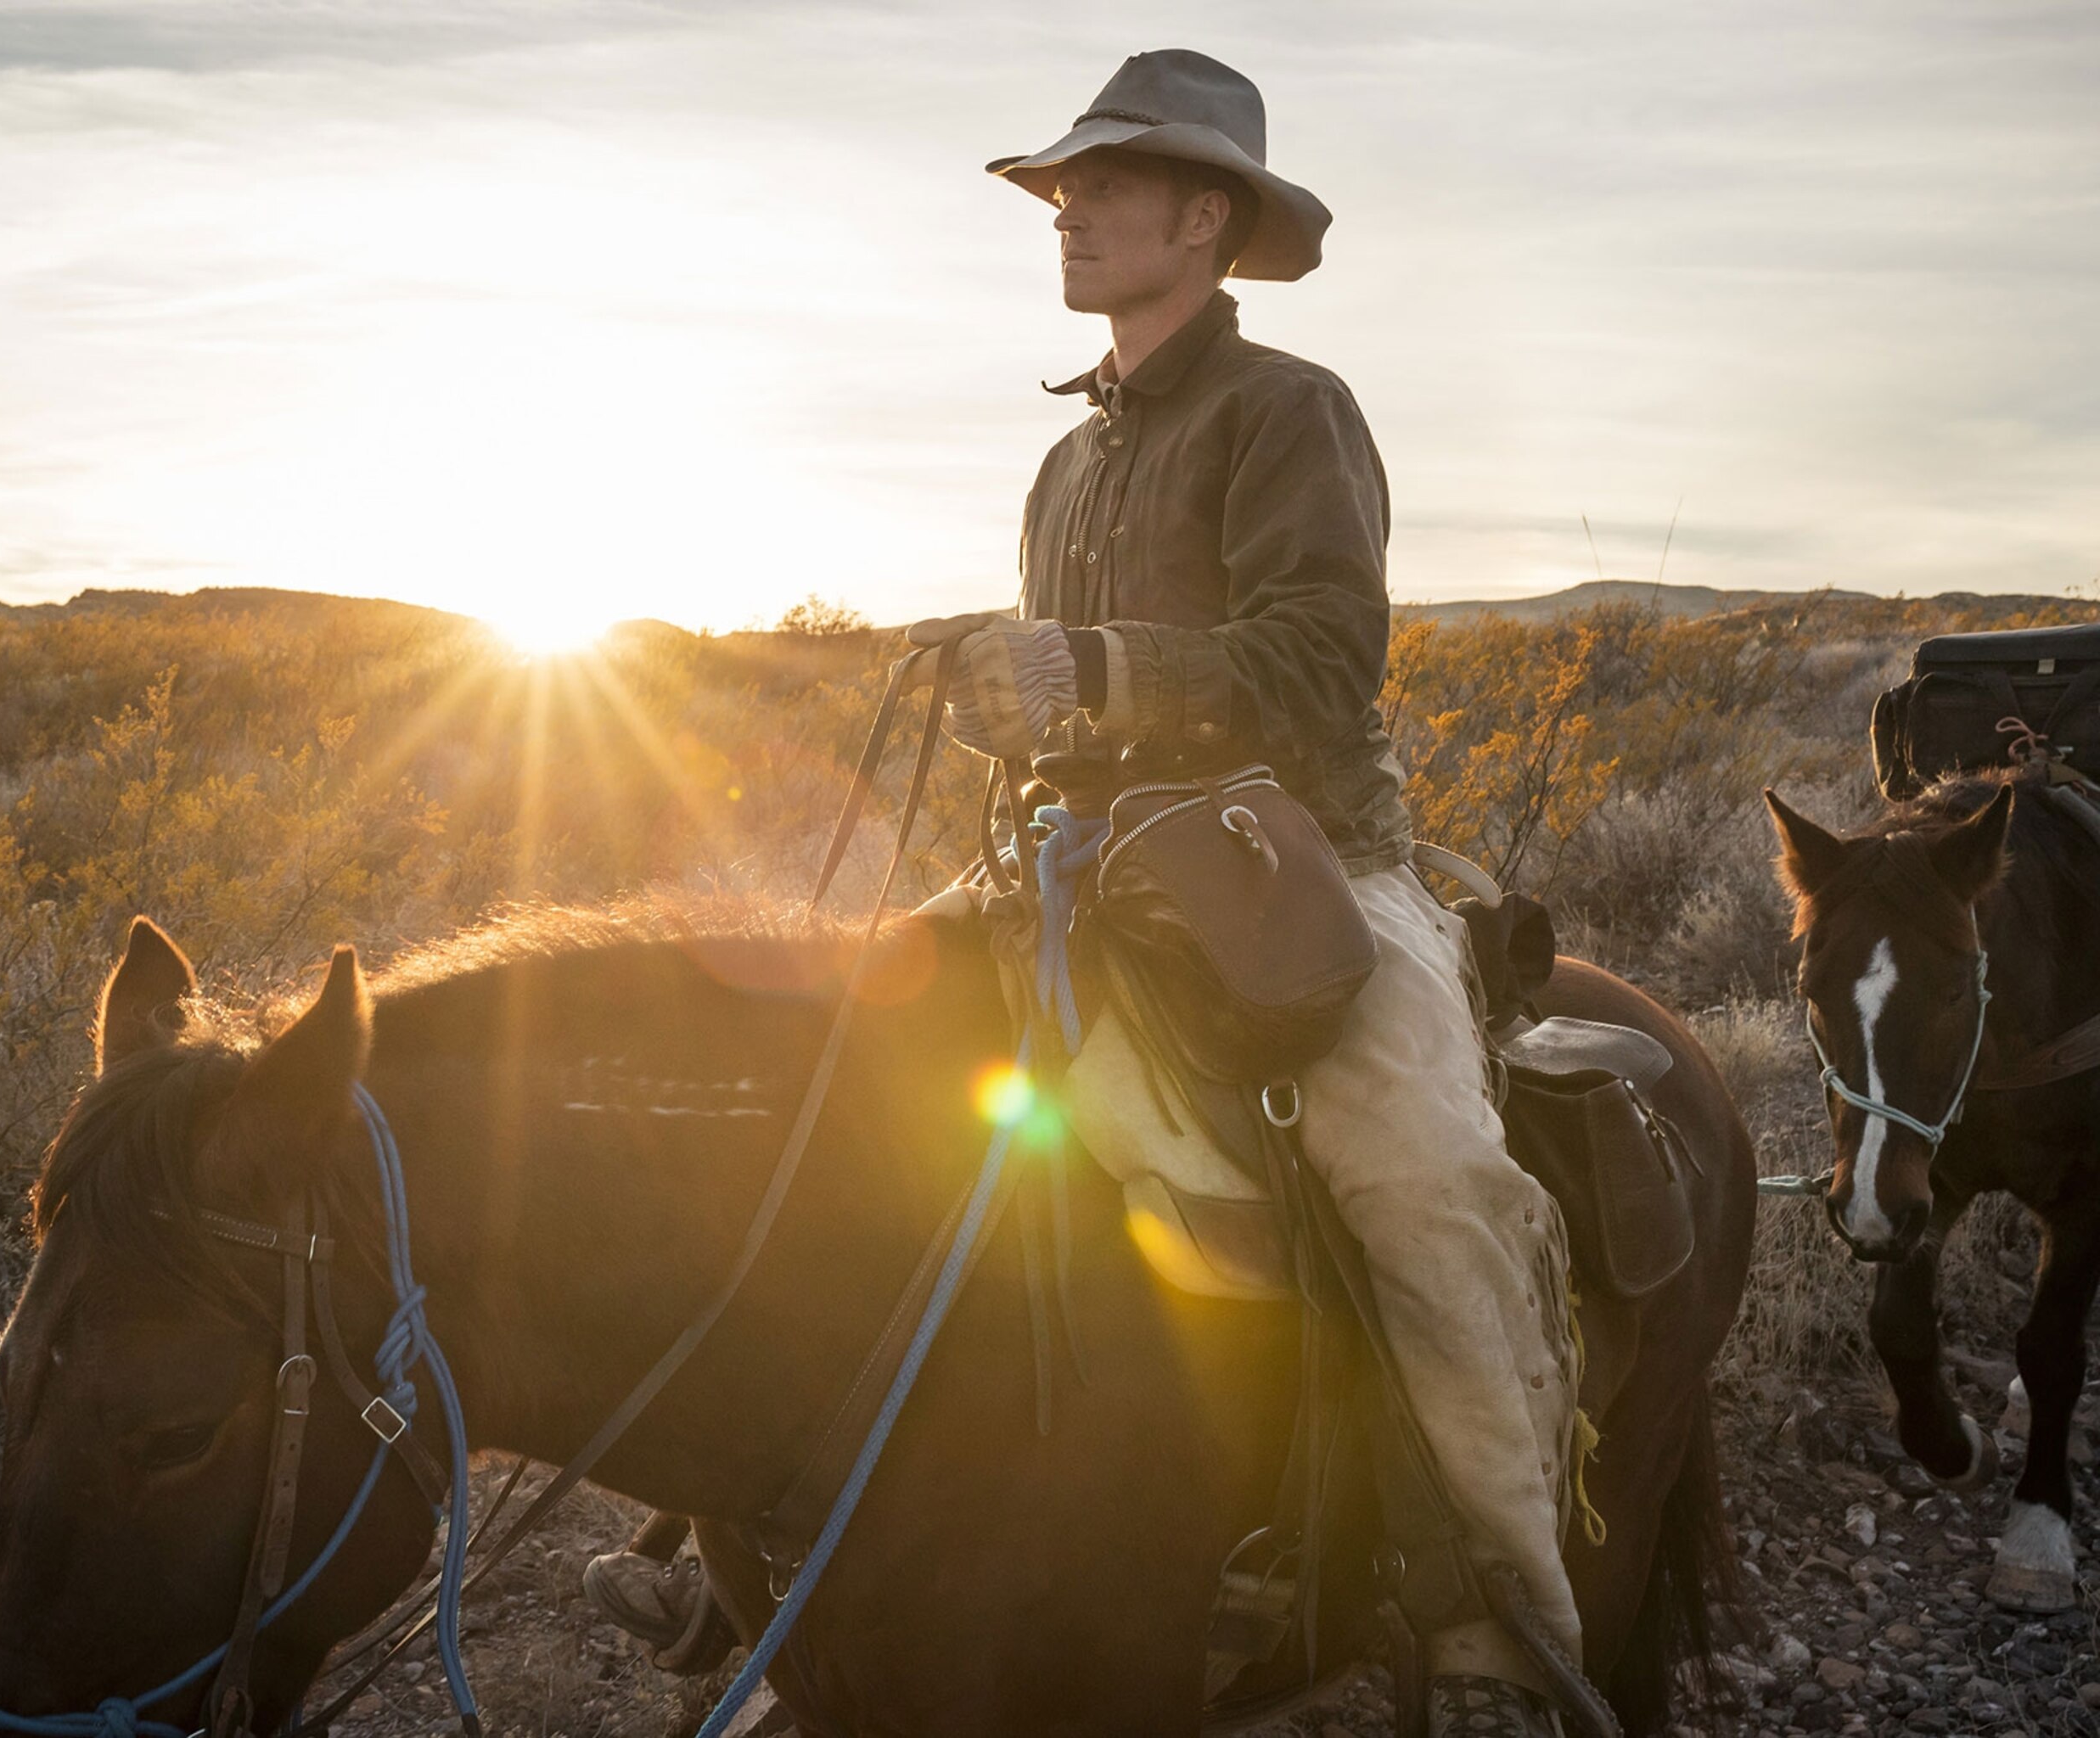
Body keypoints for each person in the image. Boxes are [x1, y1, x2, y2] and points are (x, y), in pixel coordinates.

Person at [586, 51, 1581, 1738]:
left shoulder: (1291, 412)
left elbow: (1328, 662)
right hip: (1074, 875)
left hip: (1299, 863)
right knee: (831, 1086)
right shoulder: (1069, 466)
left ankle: (1501, 1612)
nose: (1073, 211)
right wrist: (1020, 704)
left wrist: (1094, 672)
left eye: (1110, 186)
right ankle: (731, 1531)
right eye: (1065, 189)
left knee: (1431, 1176)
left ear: (1206, 219)